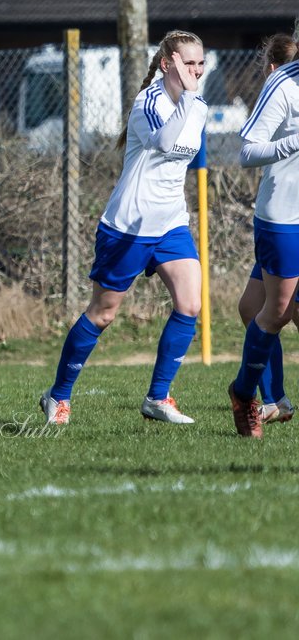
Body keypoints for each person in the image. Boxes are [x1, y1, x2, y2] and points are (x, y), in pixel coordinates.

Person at [40, 30, 208, 426]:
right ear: (167, 63)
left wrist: (192, 100)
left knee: (190, 303)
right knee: (103, 314)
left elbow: (185, 156)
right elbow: (167, 143)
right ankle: (58, 396)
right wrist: (188, 99)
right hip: (128, 226)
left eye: (201, 63)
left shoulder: (197, 104)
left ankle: (158, 398)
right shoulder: (147, 103)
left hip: (170, 224)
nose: (196, 71)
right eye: (188, 63)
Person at [229, 31, 299, 438]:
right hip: (285, 217)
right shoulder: (284, 83)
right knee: (276, 312)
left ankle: (275, 399)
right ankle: (245, 395)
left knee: (250, 307)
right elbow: (247, 151)